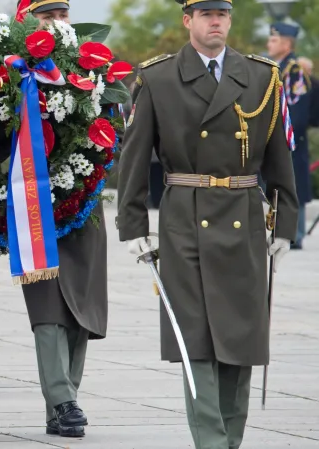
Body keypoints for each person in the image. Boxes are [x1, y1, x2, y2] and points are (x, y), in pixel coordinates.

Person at [116, 1, 299, 448]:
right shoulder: (158, 78)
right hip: (185, 217)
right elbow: (134, 157)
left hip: (243, 214)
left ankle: (229, 440)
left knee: (241, 337)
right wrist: (133, 224)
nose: (216, 21)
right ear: (188, 20)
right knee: (194, 337)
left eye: (222, 13)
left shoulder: (261, 77)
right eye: (205, 14)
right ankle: (212, 443)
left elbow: (280, 158)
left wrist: (285, 225)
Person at [14, 0, 114, 439]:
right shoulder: (12, 70)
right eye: (45, 17)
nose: (56, 24)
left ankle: (64, 400)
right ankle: (62, 399)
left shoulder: (94, 68)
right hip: (34, 205)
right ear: (25, 23)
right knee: (48, 307)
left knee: (81, 308)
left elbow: (114, 130)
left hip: (84, 199)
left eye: (61, 15)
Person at [266, 22, 313, 250]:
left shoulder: (294, 72)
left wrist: (281, 136)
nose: (269, 44)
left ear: (286, 44)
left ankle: (294, 232)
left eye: (274, 40)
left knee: (294, 184)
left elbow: (297, 112)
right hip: (277, 139)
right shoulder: (276, 68)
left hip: (291, 141)